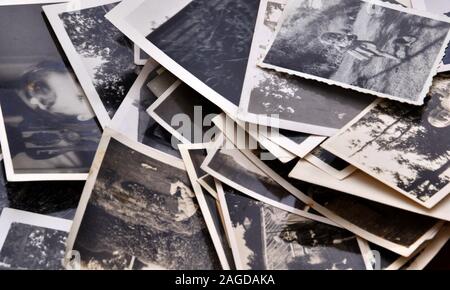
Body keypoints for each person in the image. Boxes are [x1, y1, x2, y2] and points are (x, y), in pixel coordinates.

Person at [319, 32, 416, 62]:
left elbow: (354, 36)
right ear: (329, 41)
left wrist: (351, 39)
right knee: (376, 55)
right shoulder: (336, 44)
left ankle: (396, 58)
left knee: (379, 51)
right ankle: (402, 47)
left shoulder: (342, 35)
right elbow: (342, 51)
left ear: (332, 35)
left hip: (362, 45)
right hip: (357, 50)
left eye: (331, 37)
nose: (332, 39)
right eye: (330, 40)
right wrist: (347, 47)